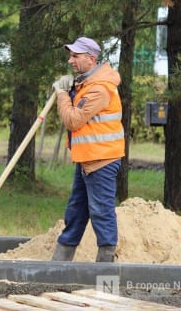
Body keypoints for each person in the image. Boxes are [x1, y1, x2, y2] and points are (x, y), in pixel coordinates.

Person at [51, 37, 125, 262]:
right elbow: (78, 107)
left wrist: (62, 94)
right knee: (76, 212)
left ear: (91, 59)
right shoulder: (87, 84)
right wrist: (71, 88)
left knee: (101, 212)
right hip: (87, 159)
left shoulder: (100, 89)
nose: (70, 60)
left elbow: (74, 120)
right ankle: (58, 264)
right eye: (71, 55)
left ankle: (105, 269)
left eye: (75, 56)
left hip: (101, 160)